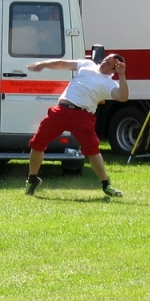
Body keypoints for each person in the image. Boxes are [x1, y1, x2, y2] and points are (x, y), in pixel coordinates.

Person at [24, 54, 128, 197]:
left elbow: (122, 97)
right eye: (105, 60)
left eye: (109, 64)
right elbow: (62, 64)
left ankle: (106, 185)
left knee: (92, 150)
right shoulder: (87, 65)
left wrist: (122, 76)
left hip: (82, 116)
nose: (104, 63)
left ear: (114, 69)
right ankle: (32, 179)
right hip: (61, 111)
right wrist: (43, 64)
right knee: (37, 143)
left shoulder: (110, 83)